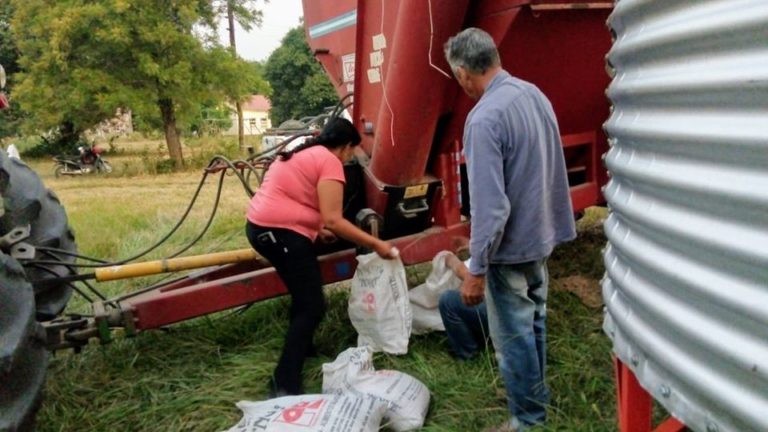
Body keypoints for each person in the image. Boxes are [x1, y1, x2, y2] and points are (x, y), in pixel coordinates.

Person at [444, 28, 577, 431]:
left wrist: (478, 268)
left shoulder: (484, 118)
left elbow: (491, 206)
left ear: (465, 72)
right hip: (541, 236)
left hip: (510, 249)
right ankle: (534, 396)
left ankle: (527, 418)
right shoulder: (533, 94)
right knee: (534, 319)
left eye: (457, 76)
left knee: (514, 335)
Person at [245, 117, 398, 397]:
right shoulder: (330, 162)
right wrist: (376, 243)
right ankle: (284, 383)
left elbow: (295, 197)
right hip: (280, 234)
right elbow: (335, 219)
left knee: (303, 296)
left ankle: (305, 348)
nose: (351, 156)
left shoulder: (303, 152)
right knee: (312, 306)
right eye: (352, 150)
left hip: (259, 228)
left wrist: (315, 229)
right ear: (345, 147)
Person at [438, 254, 489, 360]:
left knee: (448, 301)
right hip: (527, 317)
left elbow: (470, 276)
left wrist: (449, 258)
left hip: (505, 320)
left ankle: (467, 355)